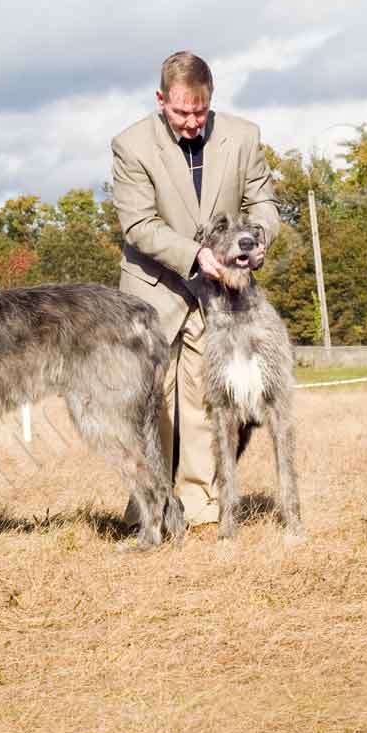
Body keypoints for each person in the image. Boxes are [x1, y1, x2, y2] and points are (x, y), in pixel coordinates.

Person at [112, 51, 281, 529]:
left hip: (223, 297)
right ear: (161, 99)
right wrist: (194, 254)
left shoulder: (244, 136)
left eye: (199, 112)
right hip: (154, 290)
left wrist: (258, 237)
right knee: (150, 405)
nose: (190, 121)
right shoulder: (130, 145)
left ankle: (204, 505)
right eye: (180, 112)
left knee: (209, 401)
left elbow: (263, 201)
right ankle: (151, 507)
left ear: (211, 100)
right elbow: (140, 224)